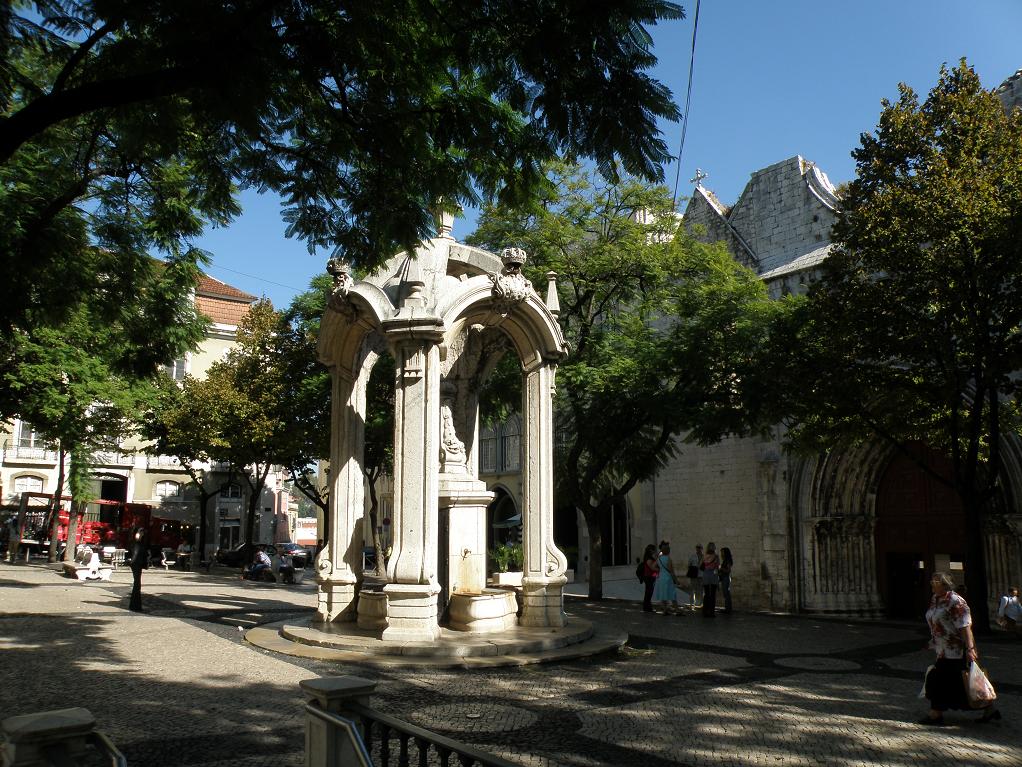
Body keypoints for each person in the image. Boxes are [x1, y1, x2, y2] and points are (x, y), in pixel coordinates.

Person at [920, 571, 1000, 725]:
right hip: (942, 648)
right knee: (959, 683)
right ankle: (989, 708)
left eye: (935, 581)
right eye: (932, 580)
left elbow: (965, 626)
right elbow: (936, 621)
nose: (931, 583)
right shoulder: (935, 599)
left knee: (939, 679)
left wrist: (970, 648)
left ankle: (935, 714)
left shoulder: (955, 601)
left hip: (956, 649)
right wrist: (933, 641)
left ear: (945, 584)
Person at [652, 541, 682, 615]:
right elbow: (671, 571)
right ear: (668, 550)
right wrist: (676, 580)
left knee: (663, 594)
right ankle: (677, 610)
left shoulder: (659, 559)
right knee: (672, 594)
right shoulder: (668, 559)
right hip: (668, 578)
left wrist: (659, 570)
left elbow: (653, 566)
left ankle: (665, 610)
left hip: (661, 577)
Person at [127, 528, 148, 612]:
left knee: (137, 584)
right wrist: (132, 561)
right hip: (136, 564)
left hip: (138, 564)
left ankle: (135, 605)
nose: (141, 534)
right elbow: (135, 554)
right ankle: (135, 606)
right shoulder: (136, 543)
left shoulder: (140, 543)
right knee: (137, 584)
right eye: (140, 532)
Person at [701, 542, 720, 617]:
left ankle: (705, 611)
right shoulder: (716, 556)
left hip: (705, 575)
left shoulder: (704, 556)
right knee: (712, 594)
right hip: (713, 576)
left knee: (706, 594)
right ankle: (711, 612)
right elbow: (717, 567)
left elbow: (701, 565)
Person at [640, 543, 659, 613]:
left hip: (651, 576)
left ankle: (647, 607)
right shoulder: (648, 558)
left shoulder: (650, 557)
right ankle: (647, 608)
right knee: (648, 593)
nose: (655, 551)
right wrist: (660, 570)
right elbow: (652, 568)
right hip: (649, 577)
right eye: (654, 550)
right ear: (651, 550)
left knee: (649, 593)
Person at [686, 543, 703, 609]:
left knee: (701, 590)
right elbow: (689, 564)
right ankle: (692, 603)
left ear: (702, 549)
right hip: (694, 575)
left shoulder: (703, 556)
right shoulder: (693, 556)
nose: (698, 549)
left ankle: (700, 603)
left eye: (699, 548)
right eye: (697, 547)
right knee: (692, 589)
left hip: (701, 575)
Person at [719, 546, 734, 613]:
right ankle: (727, 608)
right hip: (724, 578)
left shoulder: (727, 560)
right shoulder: (726, 560)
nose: (721, 554)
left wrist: (721, 568)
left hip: (726, 578)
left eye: (722, 552)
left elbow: (728, 570)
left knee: (726, 594)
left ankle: (728, 609)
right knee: (726, 593)